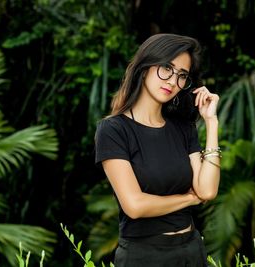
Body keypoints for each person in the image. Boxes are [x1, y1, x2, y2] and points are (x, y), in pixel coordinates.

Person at [94, 33, 220, 267]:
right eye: (166, 68)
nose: (173, 81)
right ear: (145, 67)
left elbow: (208, 190)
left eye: (182, 75)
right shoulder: (113, 130)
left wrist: (211, 123)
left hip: (192, 251)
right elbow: (135, 206)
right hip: (143, 257)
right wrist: (189, 199)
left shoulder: (183, 128)